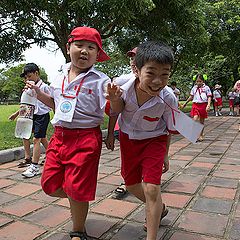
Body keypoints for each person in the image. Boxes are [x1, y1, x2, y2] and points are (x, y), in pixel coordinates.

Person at [25, 26, 111, 240]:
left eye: (91, 48)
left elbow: (115, 109)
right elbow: (56, 104)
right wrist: (37, 92)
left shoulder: (101, 80)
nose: (84, 51)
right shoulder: (58, 75)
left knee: (77, 187)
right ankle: (78, 198)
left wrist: (115, 104)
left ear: (97, 55)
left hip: (86, 137)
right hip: (60, 136)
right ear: (68, 47)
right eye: (79, 45)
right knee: (49, 184)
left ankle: (78, 230)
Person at [107, 41, 178, 240]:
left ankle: (152, 235)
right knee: (131, 185)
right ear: (136, 70)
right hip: (129, 140)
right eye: (151, 73)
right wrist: (113, 99)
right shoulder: (121, 86)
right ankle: (158, 208)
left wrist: (165, 154)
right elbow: (116, 110)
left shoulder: (169, 98)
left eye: (164, 74)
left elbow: (170, 127)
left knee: (153, 188)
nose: (158, 81)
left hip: (155, 140)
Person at [105, 47, 138, 198]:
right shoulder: (121, 81)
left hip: (150, 130)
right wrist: (110, 133)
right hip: (126, 128)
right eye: (131, 58)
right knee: (127, 156)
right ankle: (127, 181)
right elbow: (113, 110)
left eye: (136, 58)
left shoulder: (155, 80)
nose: (133, 62)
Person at [17, 63, 51, 178]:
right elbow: (26, 103)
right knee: (42, 138)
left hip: (42, 116)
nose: (27, 79)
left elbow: (51, 102)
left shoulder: (44, 87)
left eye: (29, 76)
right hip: (32, 116)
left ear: (37, 73)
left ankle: (34, 166)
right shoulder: (28, 88)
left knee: (36, 139)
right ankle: (54, 155)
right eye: (26, 78)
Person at [182, 74, 212, 141]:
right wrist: (185, 103)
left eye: (200, 81)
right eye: (197, 81)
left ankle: (201, 135)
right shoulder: (194, 88)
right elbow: (191, 96)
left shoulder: (206, 88)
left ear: (203, 81)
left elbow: (209, 96)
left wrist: (208, 105)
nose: (198, 83)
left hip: (203, 105)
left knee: (201, 121)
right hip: (195, 105)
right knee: (194, 120)